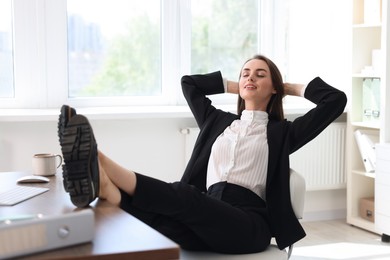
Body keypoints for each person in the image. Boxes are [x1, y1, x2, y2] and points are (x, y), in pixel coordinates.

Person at [57, 54, 347, 254]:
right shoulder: (216, 121)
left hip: (248, 224)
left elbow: (335, 100)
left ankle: (99, 160)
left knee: (185, 196)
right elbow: (189, 84)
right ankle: (108, 190)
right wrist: (239, 86)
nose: (250, 78)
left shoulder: (284, 133)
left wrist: (286, 88)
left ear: (274, 88)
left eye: (260, 75)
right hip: (205, 216)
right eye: (245, 73)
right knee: (153, 222)